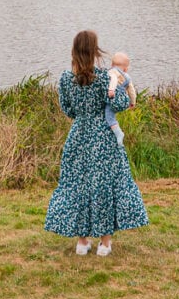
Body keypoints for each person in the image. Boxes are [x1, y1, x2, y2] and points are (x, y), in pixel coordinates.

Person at [44, 30, 148, 256]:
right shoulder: (104, 77)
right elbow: (120, 103)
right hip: (103, 137)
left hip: (79, 136)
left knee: (78, 185)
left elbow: (68, 109)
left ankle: (82, 242)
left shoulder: (65, 79)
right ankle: (105, 243)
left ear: (74, 51)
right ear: (94, 52)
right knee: (104, 186)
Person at [106, 50, 136, 146]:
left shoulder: (112, 71)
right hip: (123, 102)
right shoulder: (127, 76)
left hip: (114, 99)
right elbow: (132, 91)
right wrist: (133, 102)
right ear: (126, 69)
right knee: (112, 113)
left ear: (111, 64)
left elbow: (114, 79)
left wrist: (111, 90)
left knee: (109, 115)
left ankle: (118, 133)